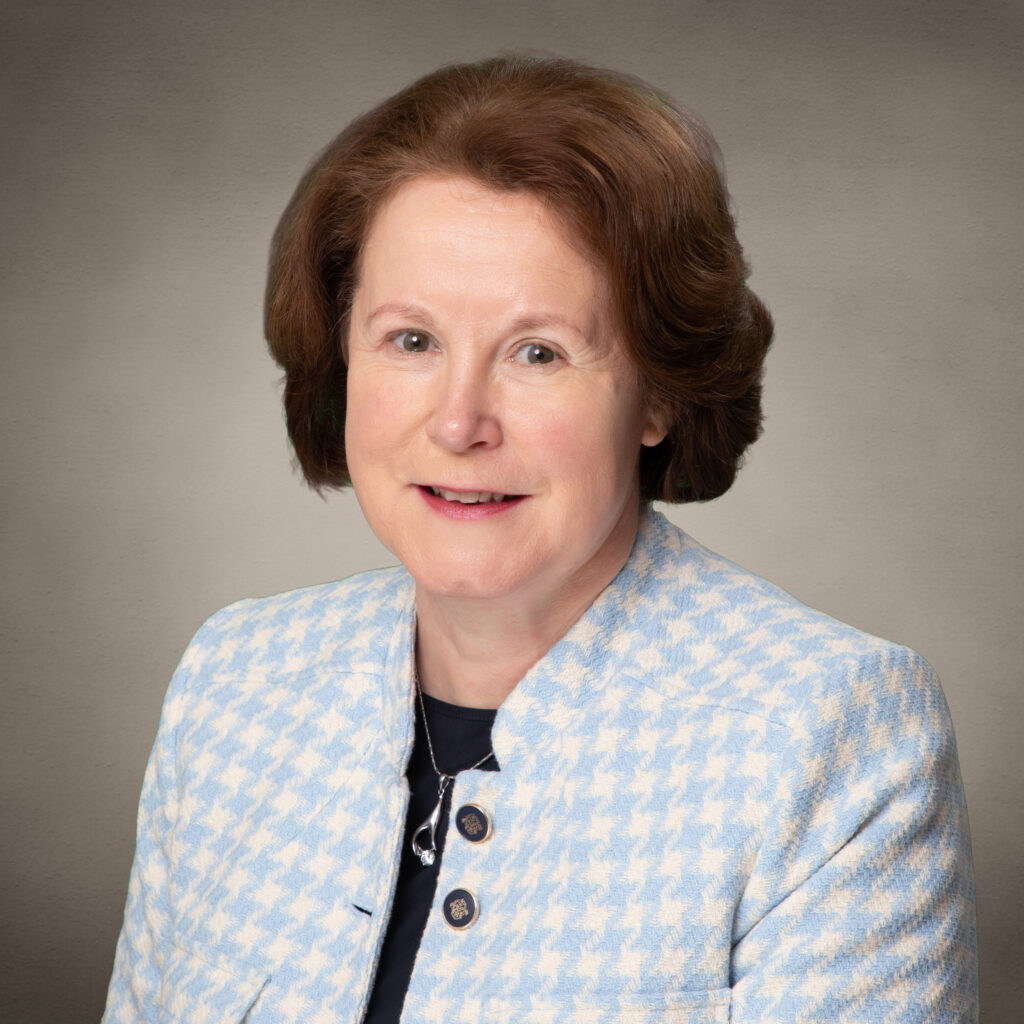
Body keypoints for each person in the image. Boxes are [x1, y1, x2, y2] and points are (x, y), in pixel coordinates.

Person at [102, 56, 977, 1023]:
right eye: (412, 340)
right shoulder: (234, 684)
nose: (458, 423)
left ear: (659, 395)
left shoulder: (828, 736)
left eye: (538, 353)